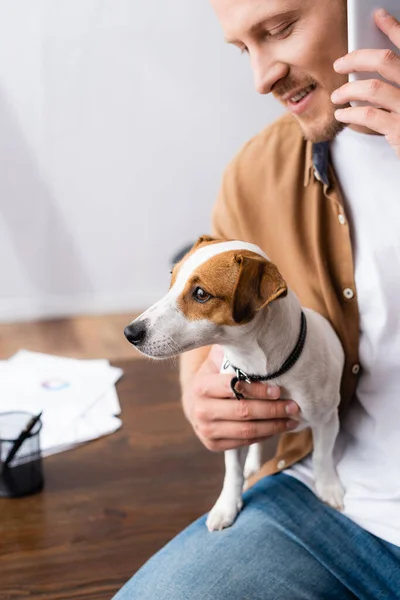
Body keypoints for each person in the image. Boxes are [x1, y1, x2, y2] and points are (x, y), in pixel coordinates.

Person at [113, 1, 400, 598]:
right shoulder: (255, 171)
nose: (262, 77)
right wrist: (202, 394)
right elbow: (204, 332)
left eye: (280, 29)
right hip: (327, 506)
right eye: (244, 48)